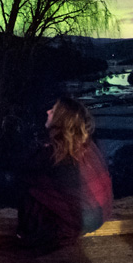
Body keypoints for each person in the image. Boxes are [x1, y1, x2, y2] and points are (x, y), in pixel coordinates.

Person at [14, 96, 113, 253]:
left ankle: (27, 233)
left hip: (83, 220)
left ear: (60, 120)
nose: (47, 112)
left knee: (29, 187)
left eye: (52, 111)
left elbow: (22, 170)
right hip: (101, 214)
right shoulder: (87, 144)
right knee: (47, 184)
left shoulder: (54, 154)